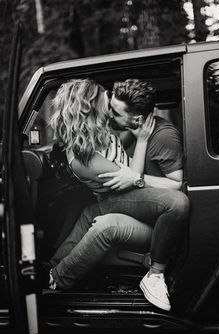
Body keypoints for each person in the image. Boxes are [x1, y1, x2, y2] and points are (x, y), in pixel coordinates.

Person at [48, 78, 189, 311]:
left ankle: (51, 267)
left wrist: (134, 129)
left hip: (118, 196)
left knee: (88, 214)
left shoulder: (98, 129)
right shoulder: (85, 159)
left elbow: (118, 147)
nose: (108, 94)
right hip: (118, 197)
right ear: (86, 106)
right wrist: (142, 138)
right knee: (177, 203)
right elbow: (131, 177)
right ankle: (154, 275)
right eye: (104, 94)